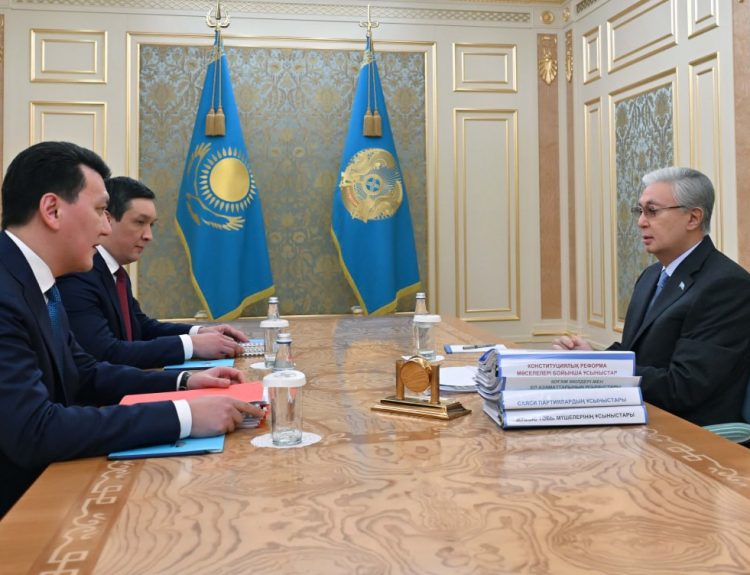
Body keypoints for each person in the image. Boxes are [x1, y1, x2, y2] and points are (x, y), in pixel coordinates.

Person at [0, 141, 262, 517]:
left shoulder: (38, 282)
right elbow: (34, 430)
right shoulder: (6, 293)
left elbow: (86, 374)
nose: (106, 226)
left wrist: (186, 383)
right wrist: (184, 417)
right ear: (52, 210)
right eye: (100, 211)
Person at [554, 167, 750, 426]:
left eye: (652, 211)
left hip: (688, 433)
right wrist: (593, 357)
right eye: (640, 211)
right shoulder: (651, 276)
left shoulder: (726, 285)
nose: (641, 222)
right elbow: (636, 353)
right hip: (639, 414)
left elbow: (683, 387)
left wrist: (599, 368)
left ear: (693, 218)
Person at [58, 176, 246, 369]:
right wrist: (191, 346)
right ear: (108, 219)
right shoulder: (79, 274)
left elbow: (141, 327)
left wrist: (198, 332)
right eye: (139, 222)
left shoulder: (116, 273)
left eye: (151, 225)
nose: (149, 236)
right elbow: (105, 353)